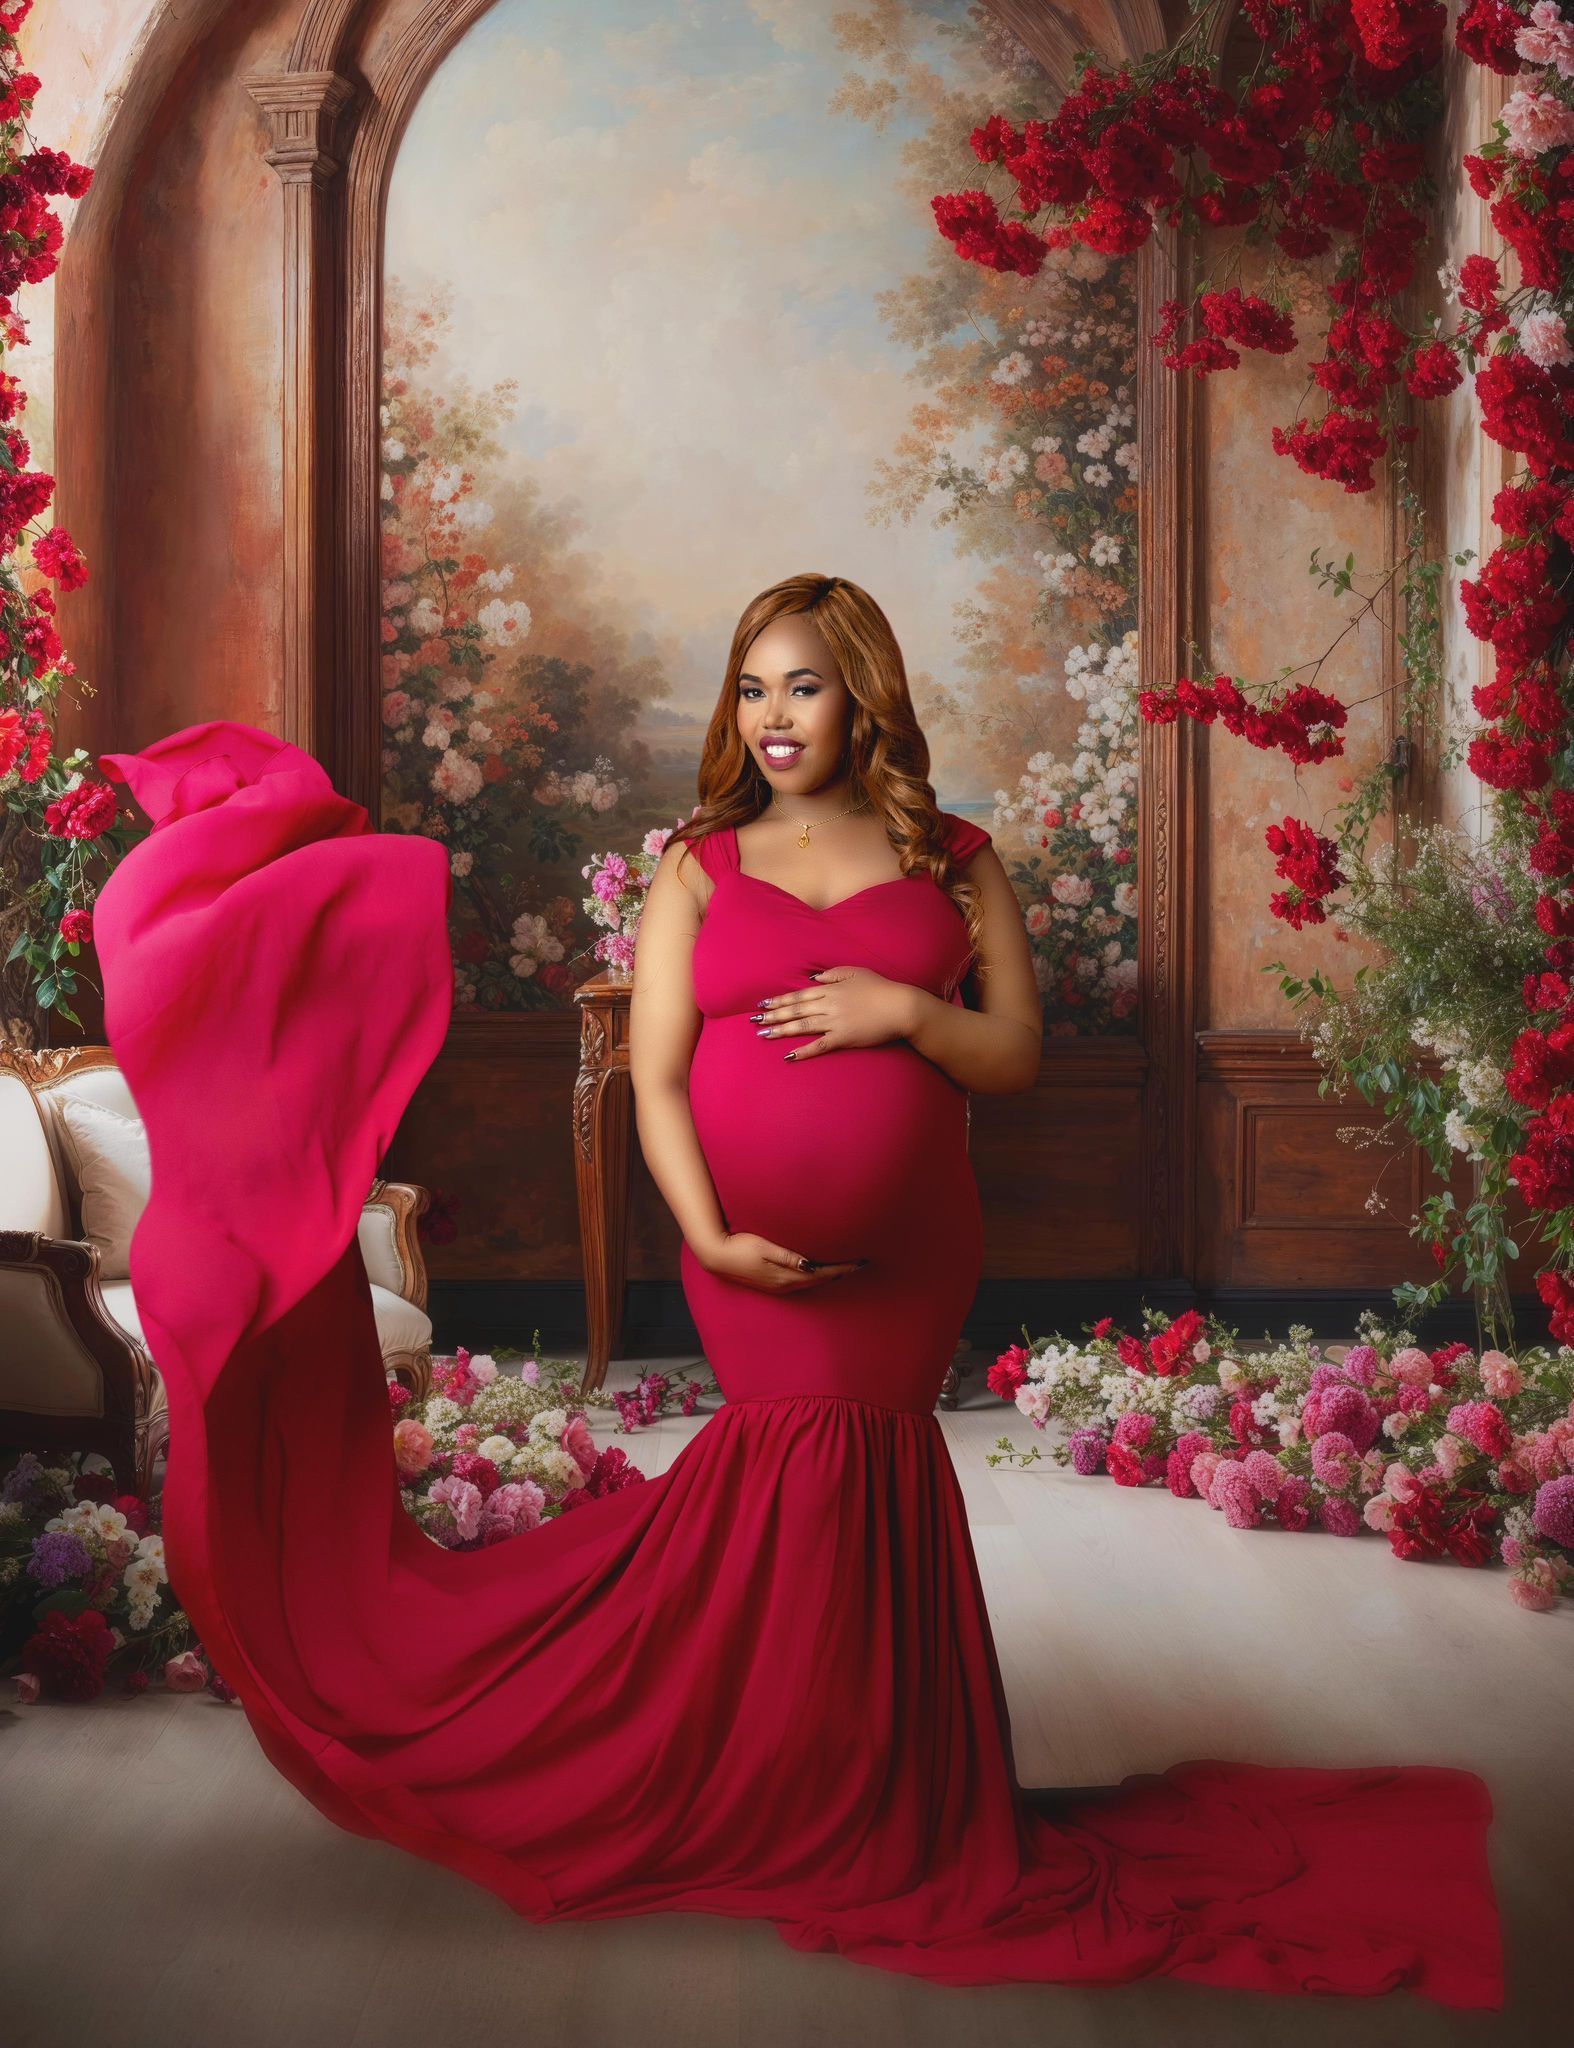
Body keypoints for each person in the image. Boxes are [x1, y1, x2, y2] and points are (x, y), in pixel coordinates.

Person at [92, 576, 1504, 2012]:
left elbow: (1011, 1053)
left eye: (804, 688)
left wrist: (905, 1013)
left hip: (912, 1256)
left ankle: (882, 1800)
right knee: (788, 1481)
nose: (774, 717)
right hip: (745, 1264)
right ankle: (767, 1785)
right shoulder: (698, 864)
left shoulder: (954, 856)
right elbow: (652, 1073)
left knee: (873, 1484)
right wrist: (705, 1235)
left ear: (863, 697)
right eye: (753, 688)